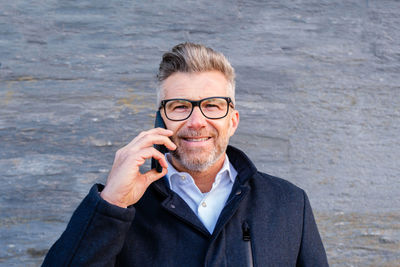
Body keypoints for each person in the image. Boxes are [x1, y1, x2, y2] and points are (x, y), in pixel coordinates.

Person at [42, 42, 328, 266]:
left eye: (213, 105)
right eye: (180, 106)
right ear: (160, 119)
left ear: (233, 120)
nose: (196, 121)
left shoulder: (289, 203)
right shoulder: (122, 207)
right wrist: (110, 204)